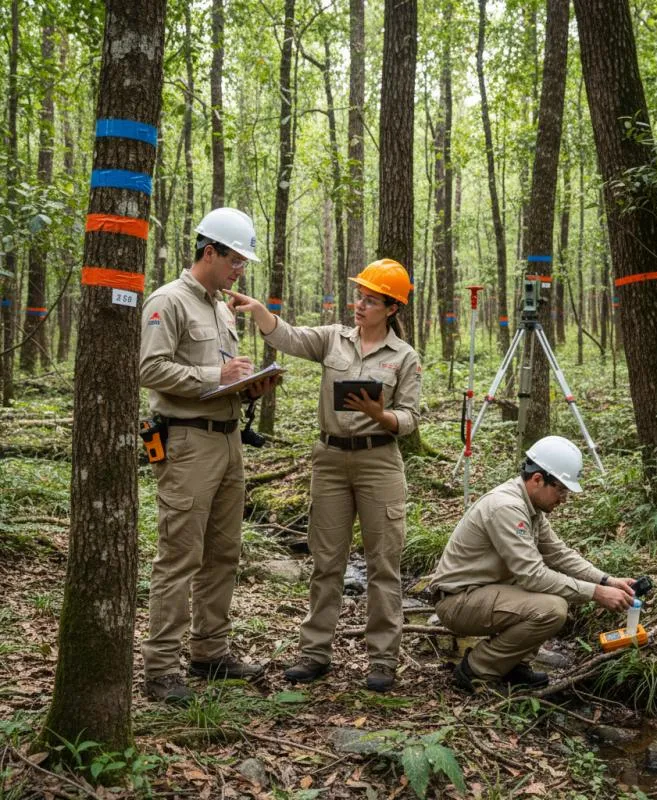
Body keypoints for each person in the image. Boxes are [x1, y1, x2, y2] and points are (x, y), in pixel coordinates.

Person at [224, 259, 421, 692]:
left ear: (392, 308)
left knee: (383, 564)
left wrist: (380, 415)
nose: (360, 305)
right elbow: (290, 337)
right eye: (359, 297)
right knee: (326, 561)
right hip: (329, 460)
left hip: (379, 462)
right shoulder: (334, 338)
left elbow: (410, 418)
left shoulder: (404, 356)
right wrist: (259, 311)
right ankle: (314, 653)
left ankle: (382, 660)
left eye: (371, 301)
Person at [139, 207, 278, 704]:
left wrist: (247, 386)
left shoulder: (222, 308)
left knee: (223, 552)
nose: (239, 269)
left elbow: (223, 375)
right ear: (209, 252)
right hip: (187, 443)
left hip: (228, 438)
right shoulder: (168, 301)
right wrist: (214, 377)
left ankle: (209, 652)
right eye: (234, 259)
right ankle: (161, 667)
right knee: (180, 555)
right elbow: (150, 368)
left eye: (243, 261)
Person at [429, 435, 635, 693]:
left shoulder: (530, 506)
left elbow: (558, 553)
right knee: (552, 608)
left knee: (554, 595)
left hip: (483, 591)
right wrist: (596, 593)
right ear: (538, 479)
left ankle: (513, 665)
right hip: (458, 601)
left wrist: (606, 580)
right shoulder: (507, 507)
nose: (563, 499)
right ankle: (477, 669)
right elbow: (533, 576)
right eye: (561, 490)